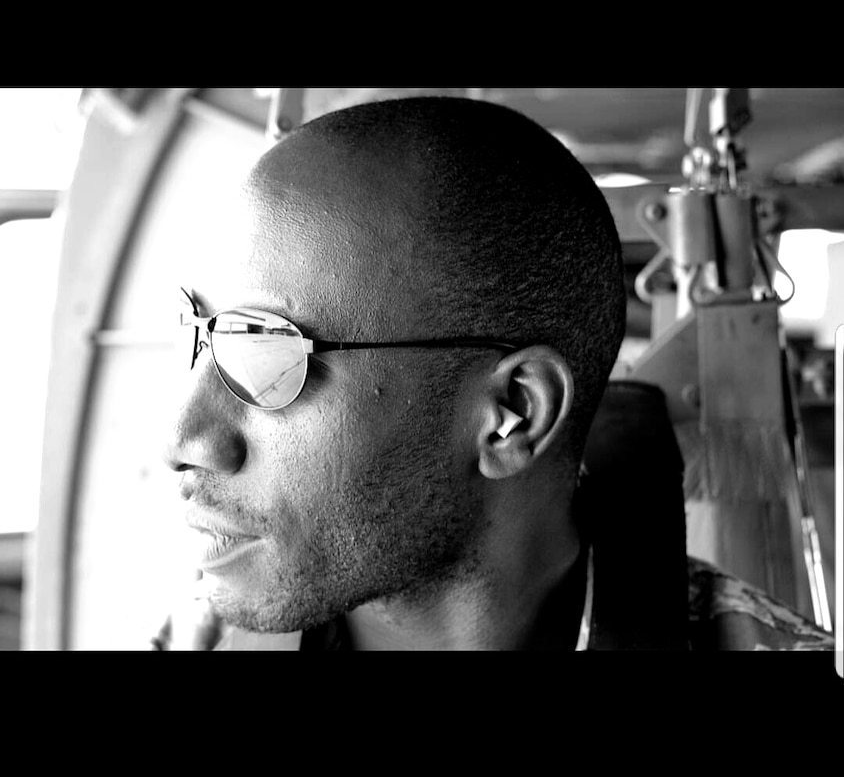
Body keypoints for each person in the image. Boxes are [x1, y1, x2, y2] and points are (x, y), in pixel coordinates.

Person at [159, 96, 834, 652]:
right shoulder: (203, 637)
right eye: (203, 334)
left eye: (266, 351)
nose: (186, 440)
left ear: (513, 413)